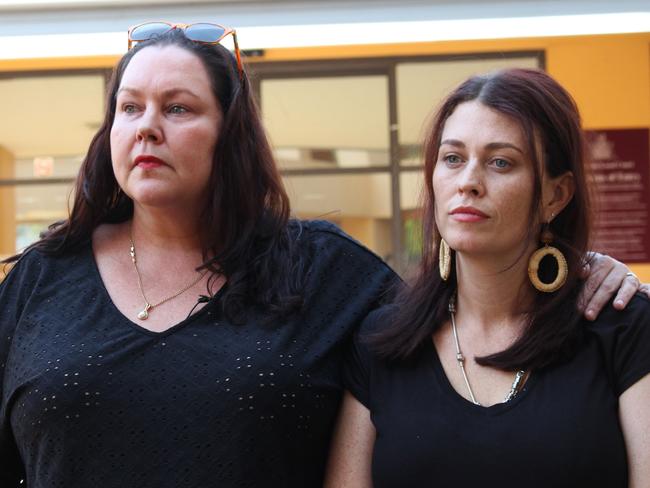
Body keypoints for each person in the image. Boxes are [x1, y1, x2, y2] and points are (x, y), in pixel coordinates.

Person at [0, 24, 645, 487]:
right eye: (129, 107)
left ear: (232, 135)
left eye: (177, 108)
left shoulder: (320, 269)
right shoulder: (39, 278)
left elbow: (459, 307)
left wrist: (582, 267)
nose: (146, 126)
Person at [325, 68, 650, 488]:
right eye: (453, 158)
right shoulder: (382, 343)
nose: (468, 183)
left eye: (501, 162)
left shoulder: (621, 327)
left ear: (556, 195)